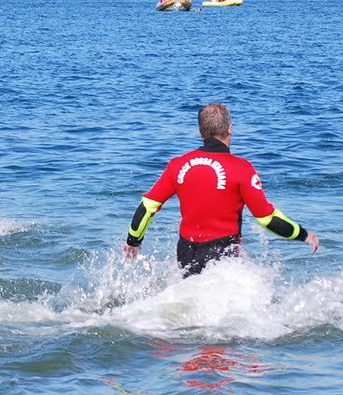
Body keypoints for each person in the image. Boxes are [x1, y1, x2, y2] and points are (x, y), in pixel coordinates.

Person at [125, 103, 320, 275]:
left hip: (185, 251)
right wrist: (302, 234)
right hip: (223, 252)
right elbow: (267, 219)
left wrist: (133, 241)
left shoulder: (177, 165)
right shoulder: (242, 168)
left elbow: (148, 206)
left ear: (201, 132)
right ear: (230, 129)